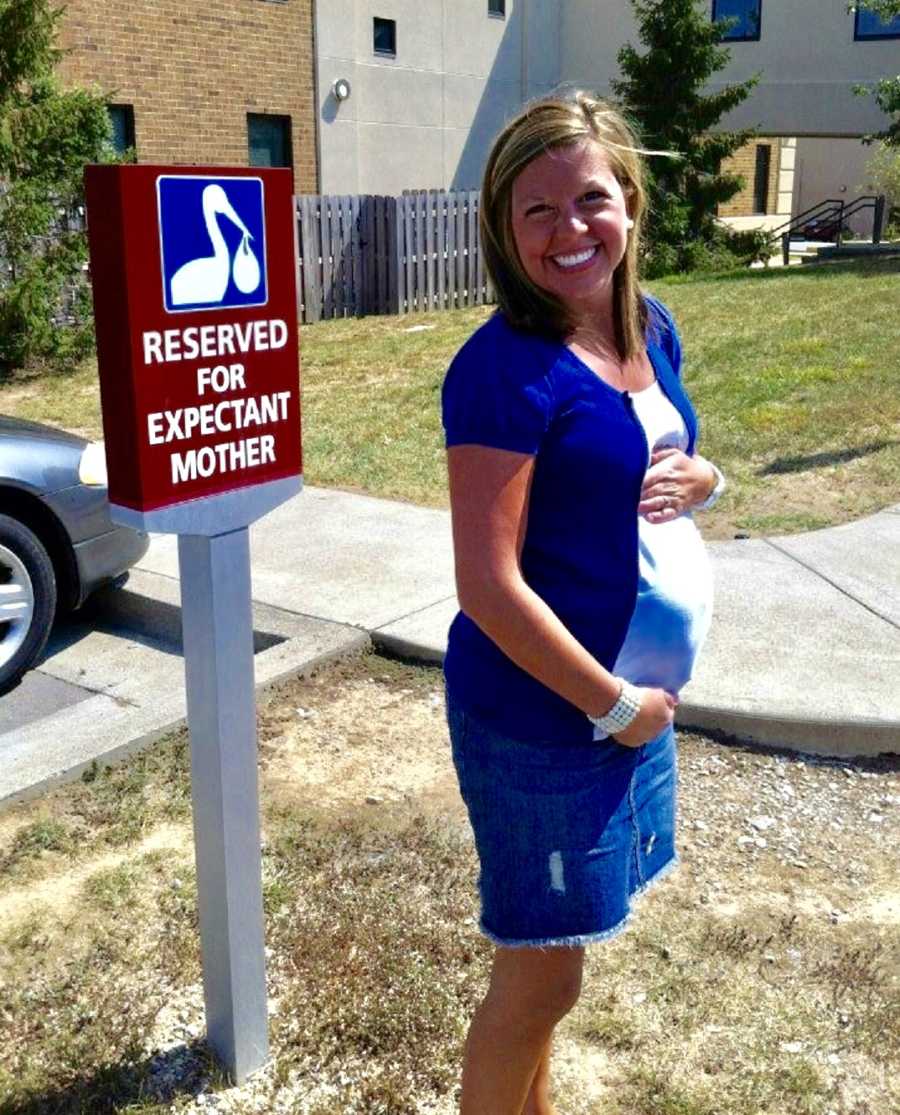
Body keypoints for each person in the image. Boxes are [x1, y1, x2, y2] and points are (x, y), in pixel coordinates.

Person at [441, 90, 725, 1115]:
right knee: (541, 976)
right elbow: (488, 583)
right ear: (503, 232)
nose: (570, 230)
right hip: (548, 720)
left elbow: (662, 455)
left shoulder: (652, 327)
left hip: (626, 708)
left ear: (631, 203)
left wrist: (708, 477)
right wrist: (613, 707)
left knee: (561, 971)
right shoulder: (502, 373)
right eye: (537, 211)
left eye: (590, 199)